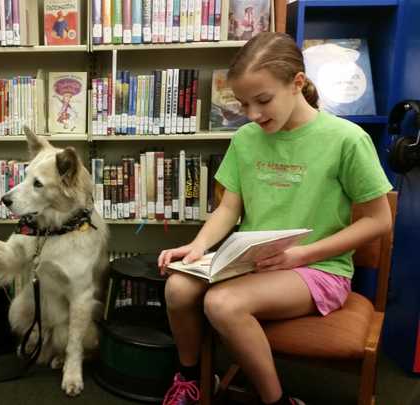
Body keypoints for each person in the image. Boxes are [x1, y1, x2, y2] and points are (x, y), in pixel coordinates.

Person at [158, 32, 392, 405]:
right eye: (243, 104)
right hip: (252, 262)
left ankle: (275, 401)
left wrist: (301, 255)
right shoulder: (246, 139)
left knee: (222, 304)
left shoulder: (346, 139)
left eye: (263, 100)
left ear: (297, 83)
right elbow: (229, 209)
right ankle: (191, 378)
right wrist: (197, 246)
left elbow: (379, 222)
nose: (252, 114)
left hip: (318, 268)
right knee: (178, 288)